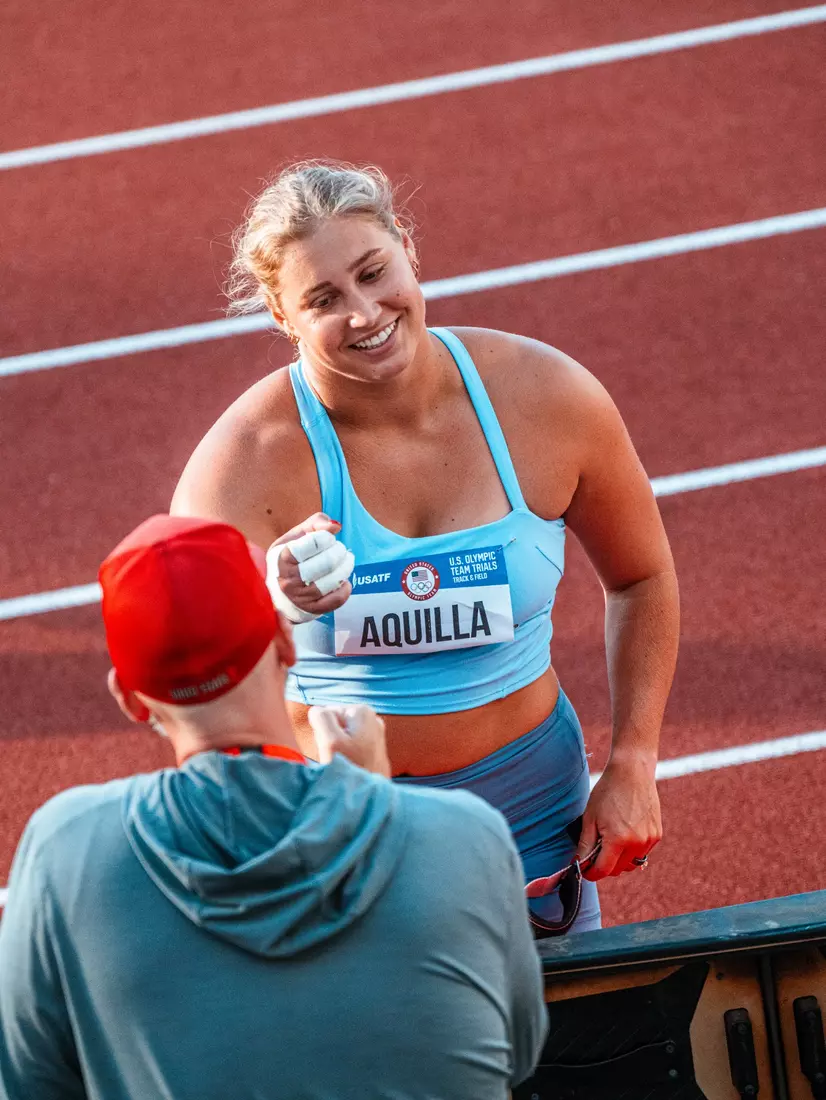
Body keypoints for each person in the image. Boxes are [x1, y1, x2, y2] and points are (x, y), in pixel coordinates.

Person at [172, 160, 681, 931]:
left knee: (572, 1042)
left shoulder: (545, 397)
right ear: (282, 315)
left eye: (375, 272)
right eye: (323, 299)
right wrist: (267, 603)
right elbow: (189, 684)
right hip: (347, 829)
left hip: (533, 805)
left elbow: (641, 577)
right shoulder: (243, 463)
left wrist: (635, 759)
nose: (366, 312)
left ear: (408, 247)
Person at [0, 514, 547, 1100]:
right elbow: (519, 1049)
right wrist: (373, 799)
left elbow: (30, 1082)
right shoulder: (466, 838)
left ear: (130, 700)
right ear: (286, 643)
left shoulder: (67, 849)